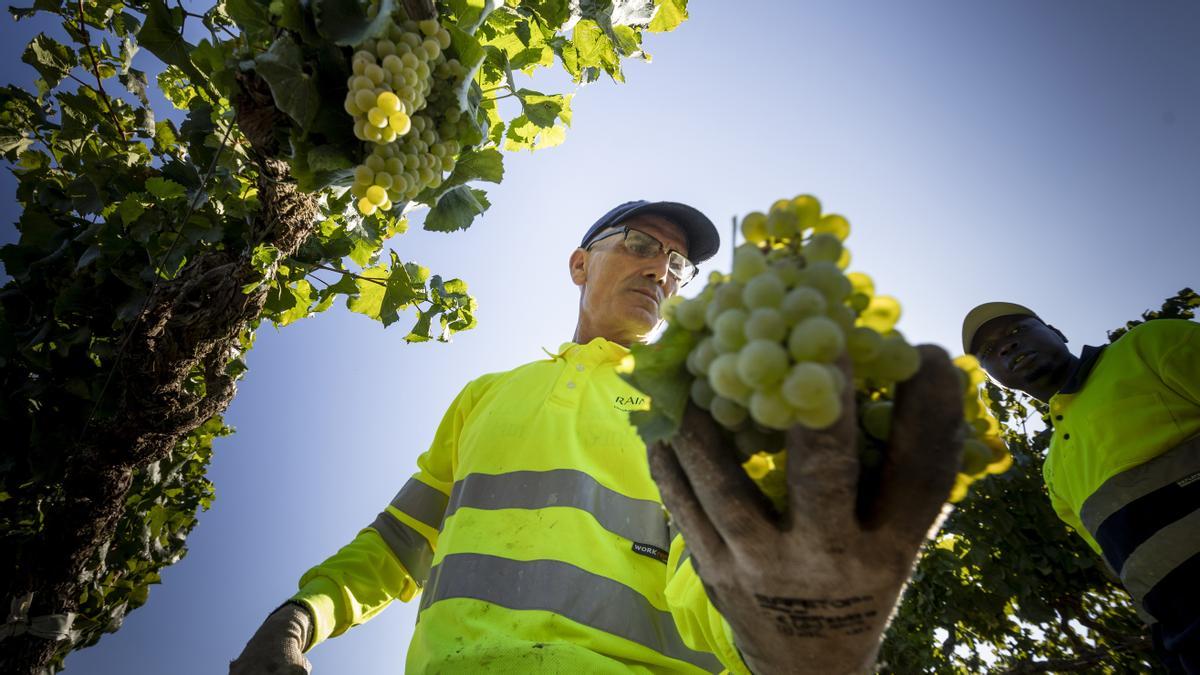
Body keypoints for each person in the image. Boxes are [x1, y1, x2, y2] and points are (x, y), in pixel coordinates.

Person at [230, 200, 965, 674]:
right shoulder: (485, 396)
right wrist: (301, 613)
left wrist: (792, 643)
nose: (661, 268)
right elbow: (399, 541)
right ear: (581, 263)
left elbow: (714, 566)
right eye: (641, 244)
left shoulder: (695, 405)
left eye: (677, 265)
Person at [962, 302, 1200, 673]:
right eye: (989, 351)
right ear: (993, 377)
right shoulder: (1053, 471)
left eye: (1015, 331)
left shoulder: (1148, 345)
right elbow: (1126, 568)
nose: (1006, 347)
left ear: (1056, 332)